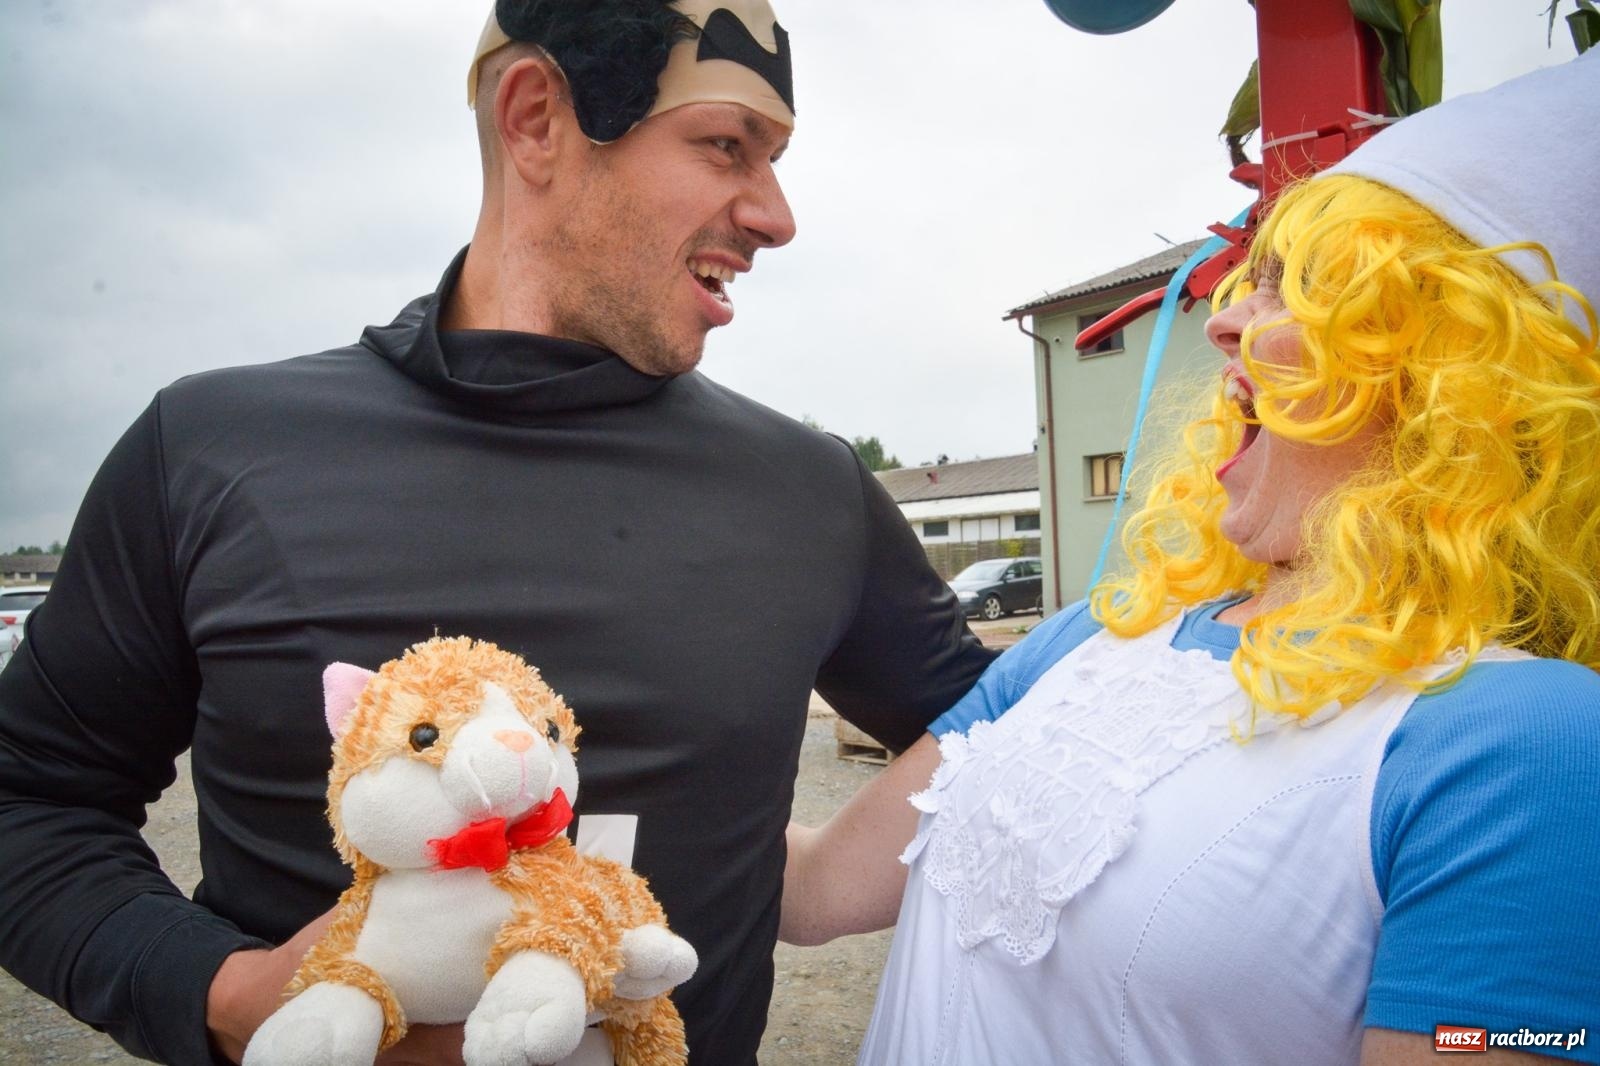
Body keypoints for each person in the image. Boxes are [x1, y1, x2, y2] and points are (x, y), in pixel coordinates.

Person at [0, 3, 995, 1064]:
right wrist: (223, 989)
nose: (775, 214)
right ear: (533, 119)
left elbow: (1018, 755)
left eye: (775, 160)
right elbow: (31, 799)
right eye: (724, 147)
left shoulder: (810, 490)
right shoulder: (211, 451)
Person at [783, 51, 1600, 1064]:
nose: (1218, 321)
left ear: (1454, 385)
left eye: (1293, 291)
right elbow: (815, 886)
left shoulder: (1525, 742)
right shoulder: (1098, 633)